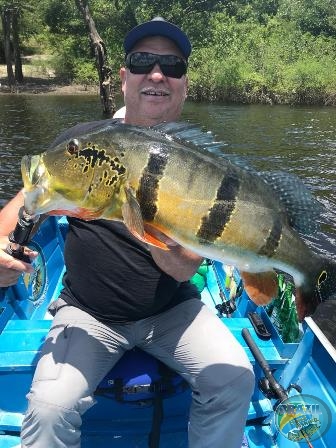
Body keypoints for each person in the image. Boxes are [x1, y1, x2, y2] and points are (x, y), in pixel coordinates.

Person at [0, 17, 254, 448]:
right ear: (124, 78)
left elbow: (182, 269)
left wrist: (137, 212)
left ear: (184, 84)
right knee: (48, 410)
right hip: (88, 314)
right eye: (143, 62)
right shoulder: (80, 144)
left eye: (171, 66)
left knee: (235, 379)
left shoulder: (199, 163)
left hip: (171, 310)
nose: (157, 74)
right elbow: (28, 198)